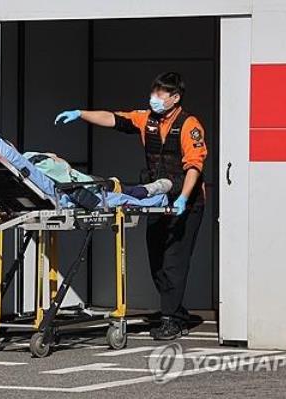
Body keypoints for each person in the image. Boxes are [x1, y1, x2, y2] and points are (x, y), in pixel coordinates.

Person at [55, 72, 207, 340]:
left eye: (162, 94)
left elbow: (194, 165)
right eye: (155, 92)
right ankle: (177, 312)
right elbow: (114, 118)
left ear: (175, 97)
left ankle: (171, 319)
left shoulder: (188, 124)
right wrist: (80, 113)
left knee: (174, 260)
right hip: (156, 199)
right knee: (157, 261)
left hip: (185, 201)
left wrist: (184, 197)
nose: (155, 98)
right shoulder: (146, 118)